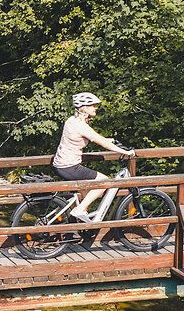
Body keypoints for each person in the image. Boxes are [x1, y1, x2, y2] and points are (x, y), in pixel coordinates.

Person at [51, 92, 134, 224]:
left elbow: (92, 137)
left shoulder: (72, 121)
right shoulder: (81, 126)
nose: (95, 108)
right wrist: (125, 152)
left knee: (89, 188)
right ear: (83, 107)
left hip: (61, 165)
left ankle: (81, 215)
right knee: (105, 181)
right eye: (93, 105)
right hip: (69, 166)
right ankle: (79, 210)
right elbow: (102, 142)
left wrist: (108, 139)